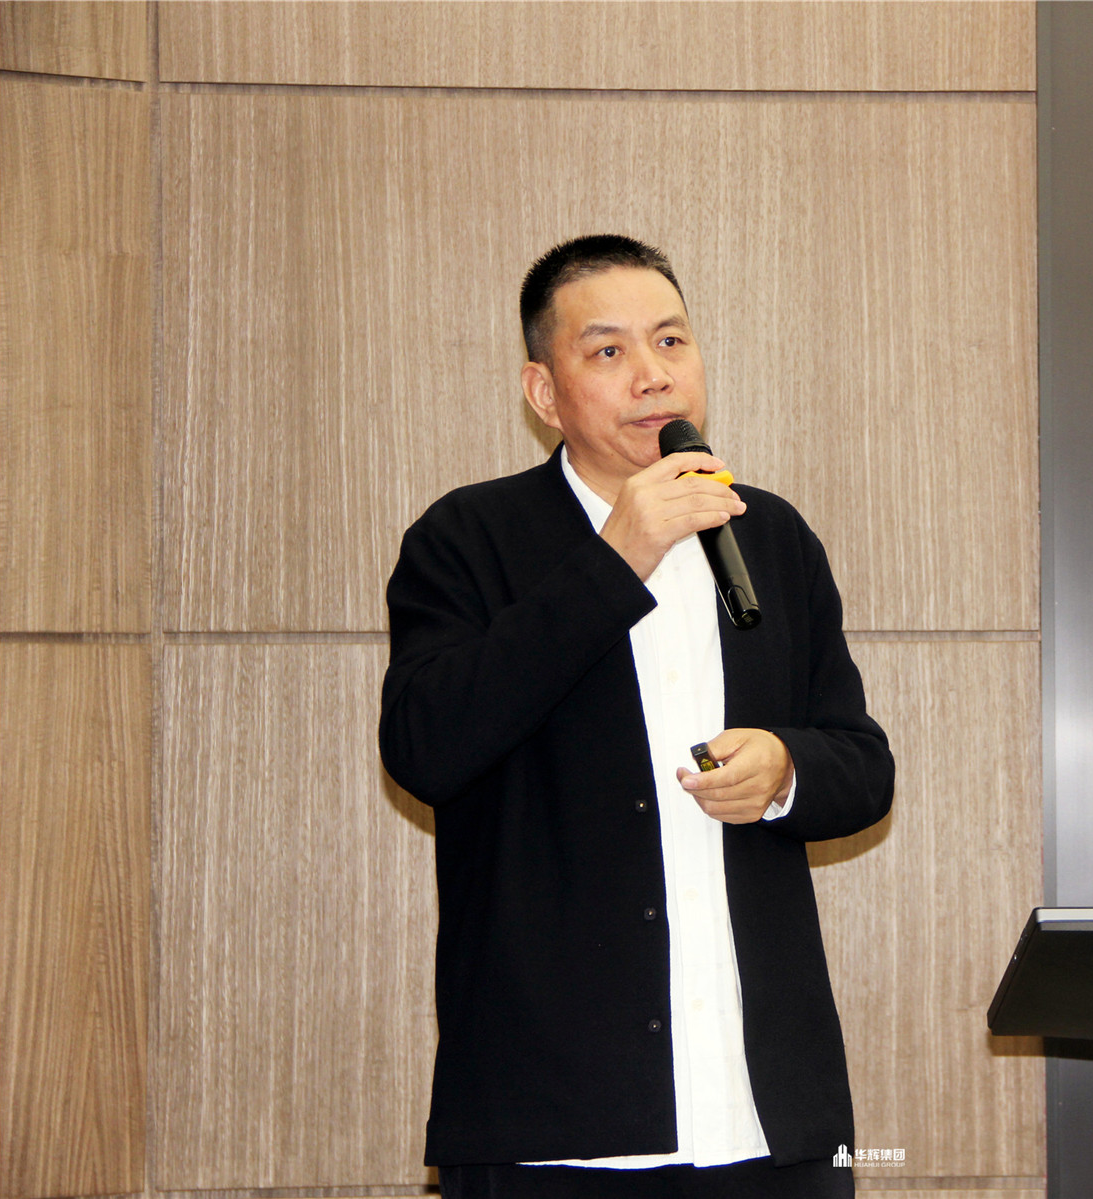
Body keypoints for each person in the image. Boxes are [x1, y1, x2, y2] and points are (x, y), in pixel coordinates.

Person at [379, 235, 893, 1199]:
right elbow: (425, 745)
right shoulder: (468, 538)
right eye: (609, 350)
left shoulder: (770, 535)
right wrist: (617, 558)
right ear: (544, 391)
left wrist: (787, 770)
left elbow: (863, 763)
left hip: (770, 1119)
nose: (653, 373)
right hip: (554, 1123)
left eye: (671, 341)